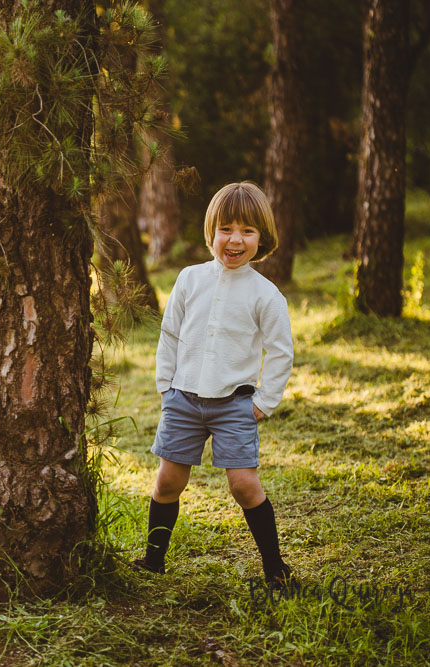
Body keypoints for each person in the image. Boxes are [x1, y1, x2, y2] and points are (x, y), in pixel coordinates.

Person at [133, 181, 295, 587]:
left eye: (247, 231)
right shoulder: (190, 279)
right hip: (183, 399)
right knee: (169, 480)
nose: (235, 240)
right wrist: (165, 385)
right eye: (226, 228)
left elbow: (280, 353)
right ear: (212, 232)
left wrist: (264, 402)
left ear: (263, 238)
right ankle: (153, 559)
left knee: (244, 486)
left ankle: (276, 570)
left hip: (234, 405)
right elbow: (170, 333)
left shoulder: (266, 295)